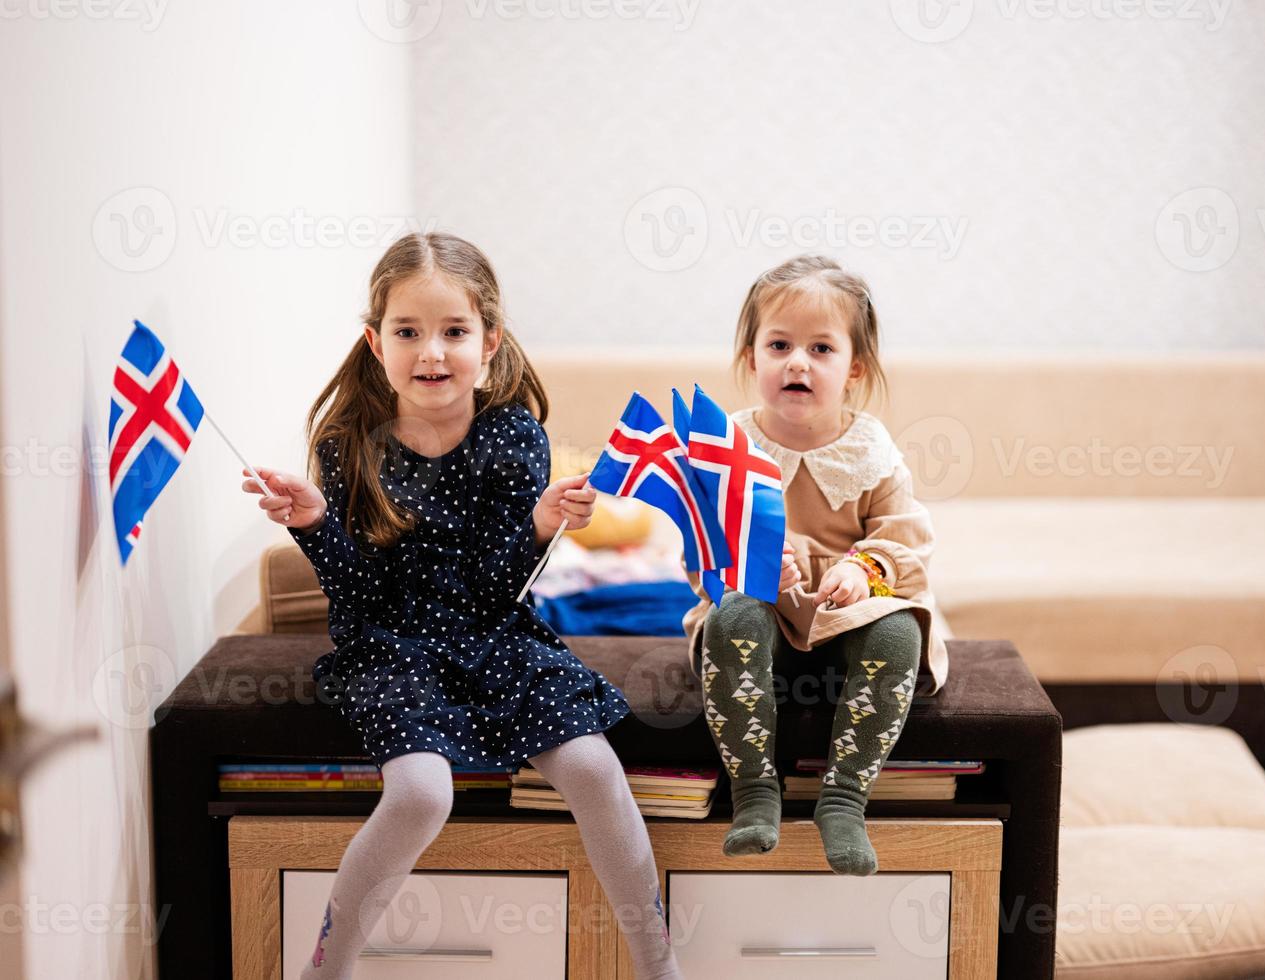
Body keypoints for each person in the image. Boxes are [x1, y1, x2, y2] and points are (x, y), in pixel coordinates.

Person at [244, 232, 682, 979]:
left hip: (493, 636)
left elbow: (489, 590)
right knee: (420, 793)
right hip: (389, 644)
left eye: (454, 332)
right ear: (375, 341)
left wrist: (541, 527)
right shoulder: (350, 444)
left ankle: (660, 969)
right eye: (408, 332)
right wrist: (316, 525)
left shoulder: (513, 437)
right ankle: (326, 969)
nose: (432, 353)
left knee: (594, 770)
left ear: (490, 341)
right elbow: (360, 597)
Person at [684, 254, 950, 875]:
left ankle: (845, 797)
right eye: (779, 345)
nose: (797, 362)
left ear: (853, 368)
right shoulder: (729, 445)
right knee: (731, 619)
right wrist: (746, 568)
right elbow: (700, 546)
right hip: (765, 610)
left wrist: (863, 567)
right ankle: (753, 789)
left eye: (821, 349)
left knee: (897, 630)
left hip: (846, 611)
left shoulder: (871, 450)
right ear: (752, 359)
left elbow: (906, 540)